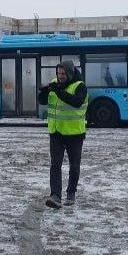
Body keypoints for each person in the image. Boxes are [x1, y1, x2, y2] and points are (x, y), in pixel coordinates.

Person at [38, 60, 88, 208]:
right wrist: (44, 92)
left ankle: (71, 193)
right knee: (55, 165)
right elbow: (42, 101)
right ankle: (55, 196)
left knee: (74, 166)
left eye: (63, 74)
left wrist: (58, 91)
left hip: (74, 133)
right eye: (58, 73)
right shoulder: (55, 83)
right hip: (56, 132)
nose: (60, 76)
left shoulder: (80, 86)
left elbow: (76, 102)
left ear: (70, 73)